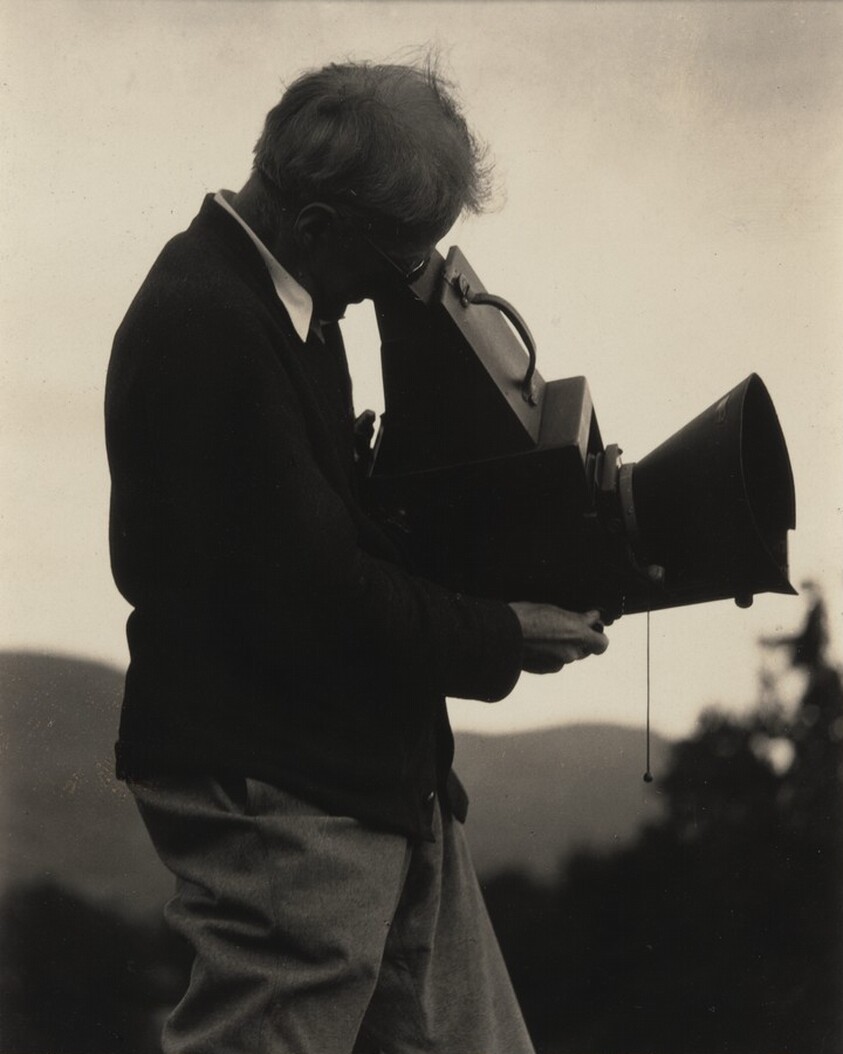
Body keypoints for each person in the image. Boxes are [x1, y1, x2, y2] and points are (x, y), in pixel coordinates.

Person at [105, 58, 609, 1054]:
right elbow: (315, 589)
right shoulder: (210, 326)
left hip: (367, 769)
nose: (407, 286)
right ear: (320, 226)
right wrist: (500, 632)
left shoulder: (287, 302)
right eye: (402, 258)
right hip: (285, 789)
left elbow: (326, 537)